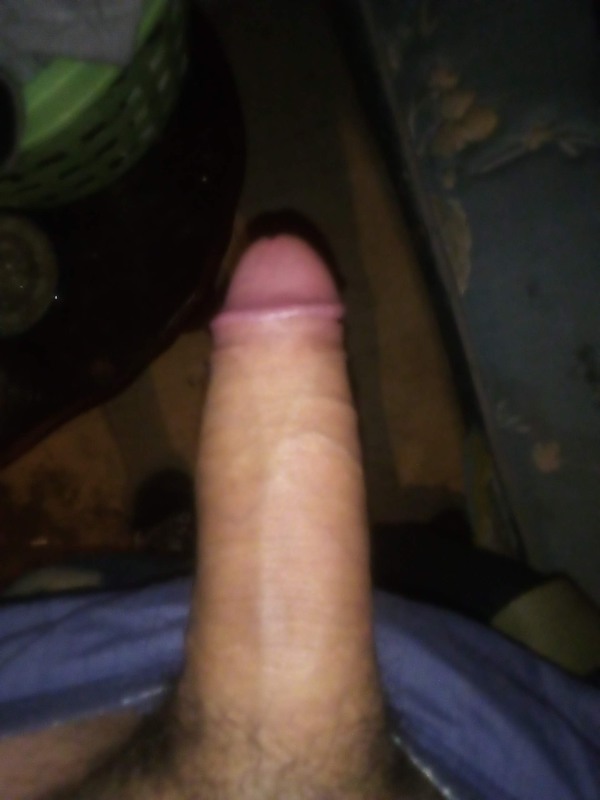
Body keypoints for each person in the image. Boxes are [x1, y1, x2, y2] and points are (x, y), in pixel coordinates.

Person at [0, 236, 598, 799]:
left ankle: (181, 561)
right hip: (500, 724)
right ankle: (424, 566)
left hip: (68, 656)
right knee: (445, 588)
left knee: (93, 590)